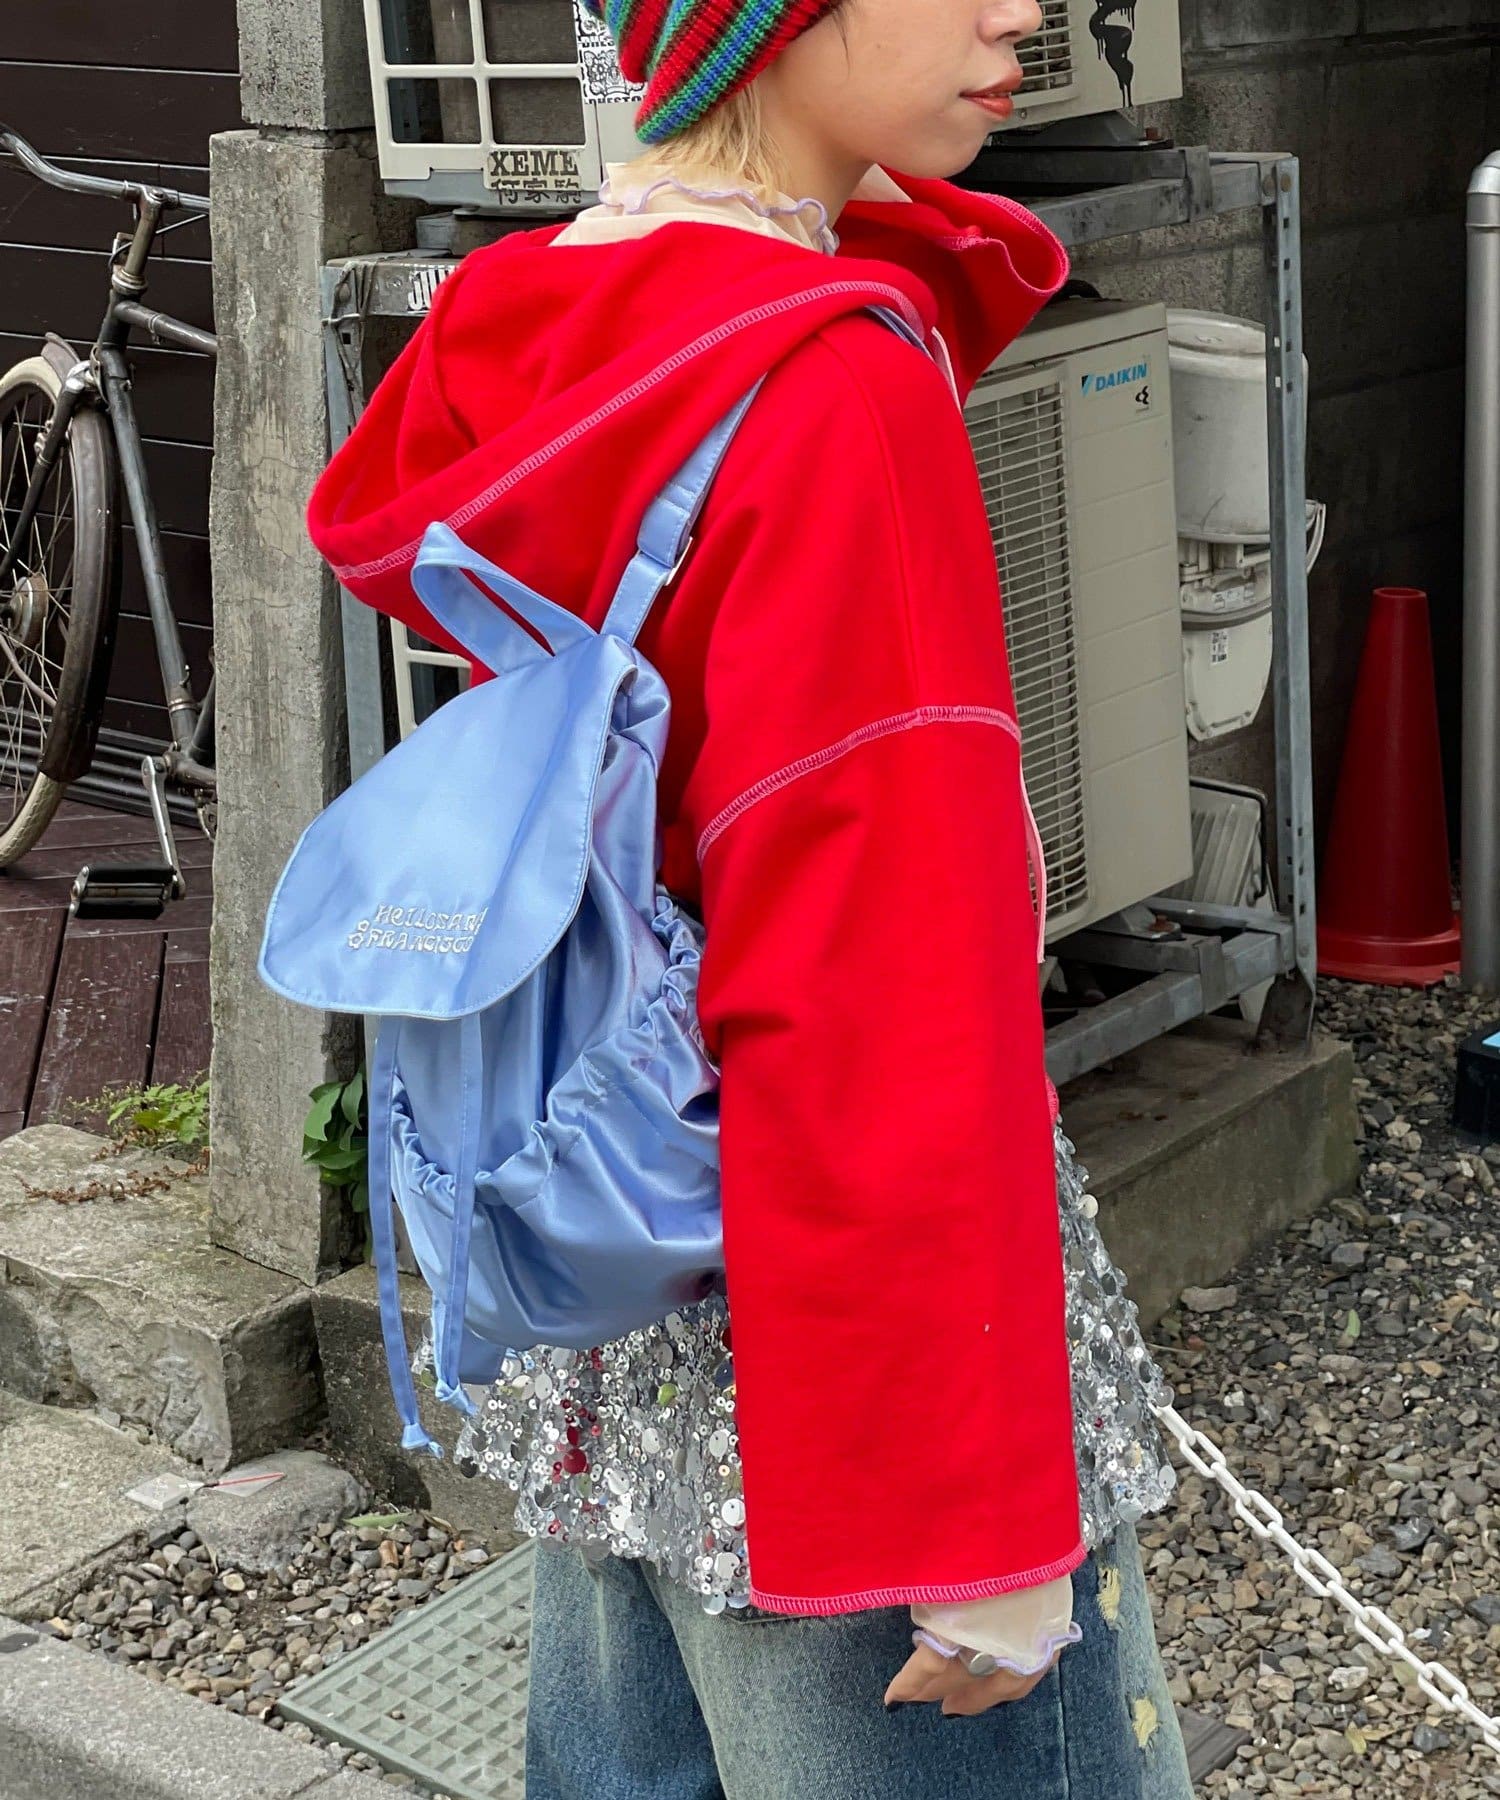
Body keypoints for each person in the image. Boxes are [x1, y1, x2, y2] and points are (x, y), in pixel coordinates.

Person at [307, 1, 1196, 1792]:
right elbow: (881, 967)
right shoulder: (834, 390)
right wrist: (972, 1518)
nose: (1023, 10)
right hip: (850, 1373)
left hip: (614, 1285)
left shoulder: (551, 320)